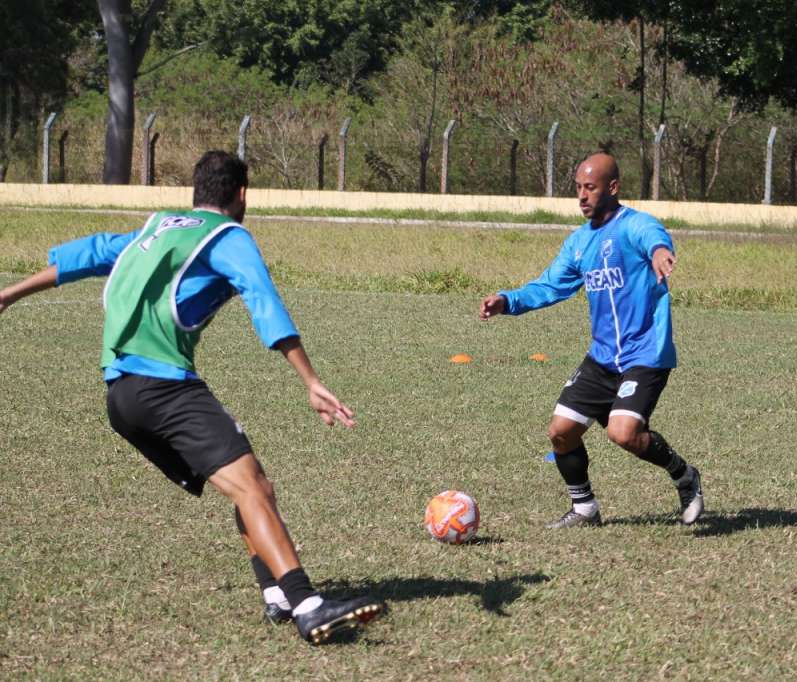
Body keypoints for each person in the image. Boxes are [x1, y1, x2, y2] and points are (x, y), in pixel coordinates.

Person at [0, 151, 384, 645]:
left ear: (197, 192)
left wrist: (9, 293)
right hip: (163, 387)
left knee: (253, 486)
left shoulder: (158, 230)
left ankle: (276, 596)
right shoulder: (228, 238)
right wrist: (309, 379)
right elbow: (262, 296)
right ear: (241, 195)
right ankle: (309, 605)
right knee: (250, 489)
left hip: (122, 396)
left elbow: (91, 252)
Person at [479, 152, 704, 528]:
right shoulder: (579, 243)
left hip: (644, 354)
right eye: (579, 188)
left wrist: (661, 251)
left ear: (612, 188)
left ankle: (685, 476)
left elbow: (654, 237)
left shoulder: (635, 226)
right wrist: (508, 301)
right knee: (561, 432)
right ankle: (584, 508)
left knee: (624, 434)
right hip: (602, 359)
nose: (582, 196)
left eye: (591, 188)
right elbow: (550, 286)